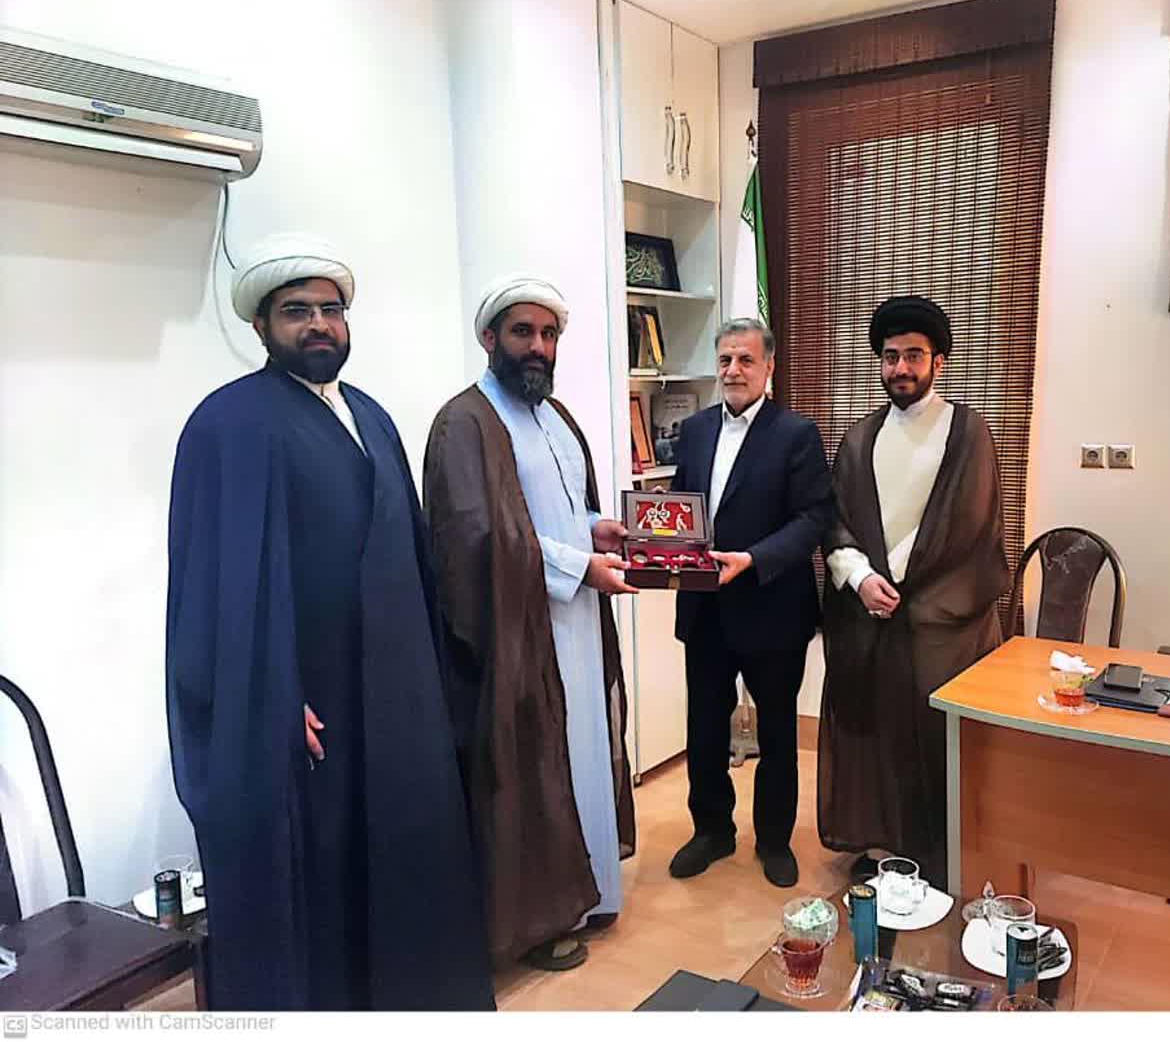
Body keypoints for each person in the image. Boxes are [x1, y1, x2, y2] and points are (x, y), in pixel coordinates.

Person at [165, 234, 494, 1010]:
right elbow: (216, 592)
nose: (318, 324)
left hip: (395, 700)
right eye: (296, 311)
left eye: (330, 309)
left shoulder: (371, 416)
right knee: (328, 897)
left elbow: (410, 556)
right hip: (314, 714)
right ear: (260, 326)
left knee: (407, 874)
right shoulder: (229, 424)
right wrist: (271, 700)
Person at [423, 275, 637, 973]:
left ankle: (586, 894)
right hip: (515, 635)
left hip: (575, 622)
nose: (537, 347)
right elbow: (476, 539)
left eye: (548, 334)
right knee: (534, 770)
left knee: (579, 754)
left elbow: (559, 511)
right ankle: (538, 920)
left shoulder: (557, 417)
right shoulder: (464, 422)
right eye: (523, 332)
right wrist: (580, 567)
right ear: (490, 338)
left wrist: (596, 528)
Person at [818, 295, 1010, 890]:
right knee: (876, 732)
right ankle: (885, 843)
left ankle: (942, 851)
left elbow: (969, 528)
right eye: (890, 356)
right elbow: (835, 523)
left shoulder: (967, 433)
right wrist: (861, 579)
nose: (901, 368)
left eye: (913, 356)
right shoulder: (859, 439)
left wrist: (903, 589)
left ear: (938, 361)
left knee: (935, 736)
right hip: (873, 613)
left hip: (941, 620)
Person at [666, 317, 833, 888]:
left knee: (778, 731)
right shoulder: (694, 430)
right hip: (705, 608)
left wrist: (754, 559)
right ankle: (711, 830)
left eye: (745, 360)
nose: (733, 371)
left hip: (772, 606)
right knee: (705, 728)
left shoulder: (797, 434)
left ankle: (774, 840)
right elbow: (682, 509)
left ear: (769, 367)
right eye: (725, 360)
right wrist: (655, 546)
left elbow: (813, 518)